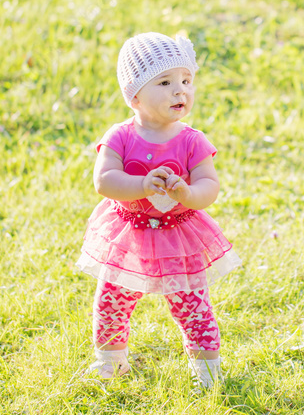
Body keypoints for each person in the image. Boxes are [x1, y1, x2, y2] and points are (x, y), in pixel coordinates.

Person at [75, 32, 241, 388]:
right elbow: (104, 181)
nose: (180, 90)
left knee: (192, 305)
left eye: (186, 80)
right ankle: (111, 363)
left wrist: (186, 192)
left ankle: (207, 372)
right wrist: (141, 185)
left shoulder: (192, 140)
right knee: (111, 300)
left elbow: (209, 187)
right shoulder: (120, 136)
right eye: (165, 82)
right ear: (134, 95)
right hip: (129, 233)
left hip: (177, 234)